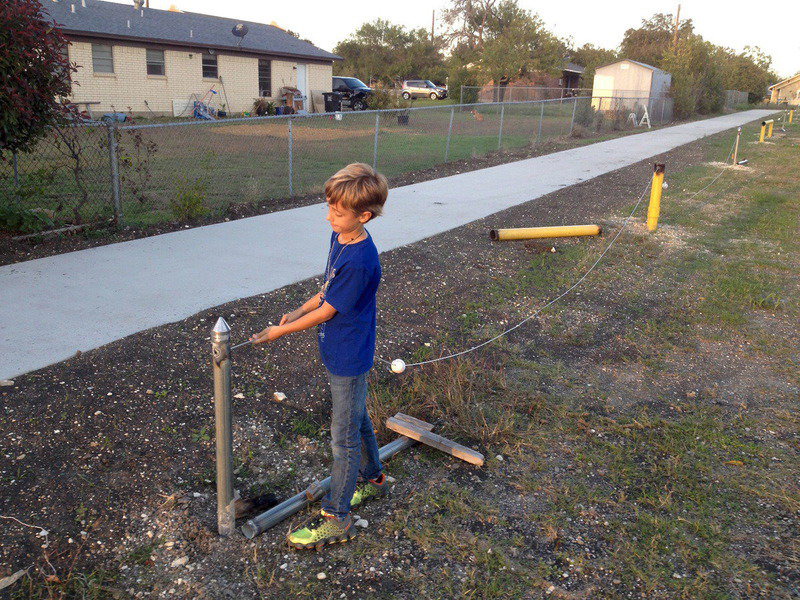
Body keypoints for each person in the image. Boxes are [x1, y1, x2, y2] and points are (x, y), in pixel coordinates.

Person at [250, 163, 390, 550]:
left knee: (342, 438)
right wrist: (295, 310)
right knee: (357, 417)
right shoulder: (341, 238)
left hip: (349, 357)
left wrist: (280, 332)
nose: (328, 216)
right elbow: (326, 290)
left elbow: (328, 312)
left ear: (363, 215)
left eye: (337, 211)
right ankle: (375, 478)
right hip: (338, 351)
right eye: (328, 207)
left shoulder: (361, 259)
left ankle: (337, 516)